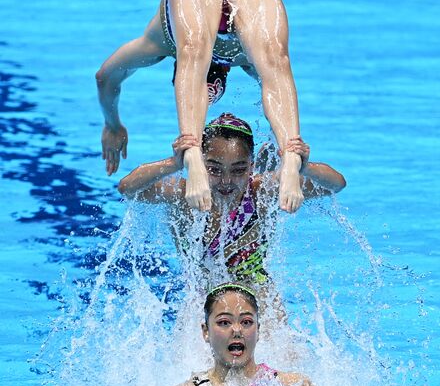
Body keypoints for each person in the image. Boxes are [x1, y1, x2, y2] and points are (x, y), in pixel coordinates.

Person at [96, 0, 305, 213]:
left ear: (178, 73)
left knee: (192, 48)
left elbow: (105, 77)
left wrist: (113, 125)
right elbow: (278, 83)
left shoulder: (161, 43)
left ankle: (193, 154)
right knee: (275, 60)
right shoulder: (247, 59)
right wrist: (287, 147)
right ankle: (291, 155)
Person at [117, 112, 346, 292]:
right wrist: (174, 163)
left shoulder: (261, 192)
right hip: (202, 298)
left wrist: (302, 167)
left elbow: (336, 184)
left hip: (257, 293)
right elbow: (128, 188)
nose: (226, 181)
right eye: (214, 169)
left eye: (238, 170)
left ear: (252, 167)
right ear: (199, 165)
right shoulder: (184, 194)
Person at [161, 283, 314, 386]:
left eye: (246, 322)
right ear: (206, 332)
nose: (237, 330)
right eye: (224, 322)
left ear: (258, 330)